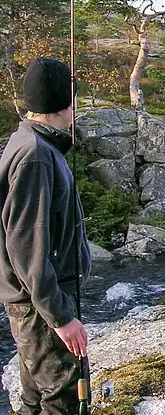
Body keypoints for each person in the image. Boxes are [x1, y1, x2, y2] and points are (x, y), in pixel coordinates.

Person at [0, 57, 91, 414]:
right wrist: (61, 317)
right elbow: (26, 244)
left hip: (34, 301)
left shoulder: (29, 141)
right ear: (64, 103)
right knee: (63, 395)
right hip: (39, 305)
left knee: (35, 399)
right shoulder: (36, 155)